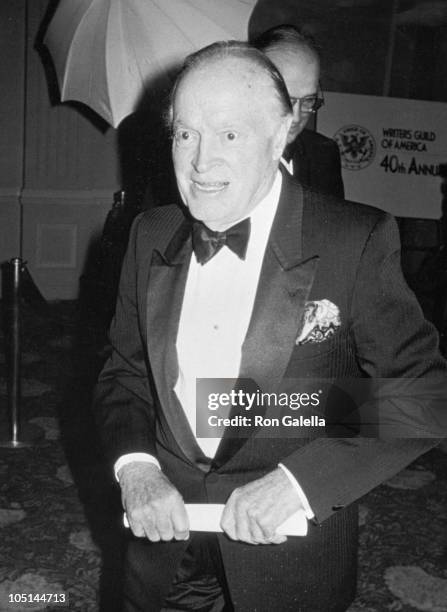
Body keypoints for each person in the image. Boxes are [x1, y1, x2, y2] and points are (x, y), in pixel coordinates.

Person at [94, 42, 446, 612]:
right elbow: (125, 374)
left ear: (282, 135)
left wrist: (299, 484)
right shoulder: (150, 232)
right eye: (186, 134)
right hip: (163, 547)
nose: (201, 163)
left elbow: (423, 395)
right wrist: (136, 469)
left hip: (287, 556)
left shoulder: (352, 240)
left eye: (230, 135)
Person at [253, 24, 345, 198]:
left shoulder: (322, 154)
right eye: (286, 99)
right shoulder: (213, 151)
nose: (295, 117)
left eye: (308, 100)